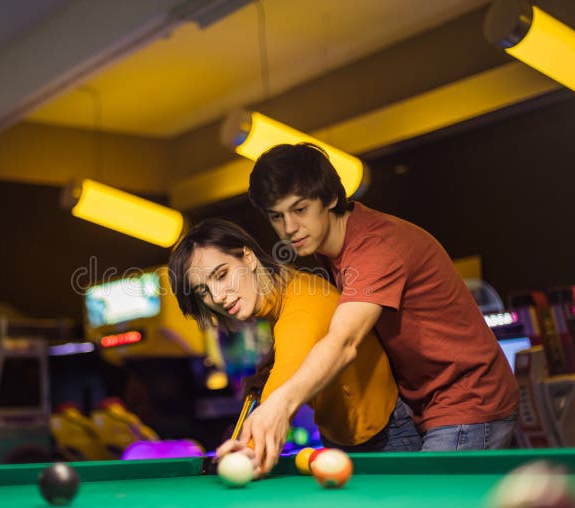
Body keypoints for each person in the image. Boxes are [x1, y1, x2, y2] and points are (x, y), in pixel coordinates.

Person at [240, 143, 519, 471]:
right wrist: (271, 369)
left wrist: (281, 405)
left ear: (329, 197)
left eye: (299, 209)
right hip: (423, 403)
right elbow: (320, 317)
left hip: (469, 400)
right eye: (277, 216)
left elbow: (343, 342)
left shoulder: (374, 249)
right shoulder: (327, 247)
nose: (289, 228)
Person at [168, 219, 422, 474]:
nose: (217, 296)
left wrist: (251, 449)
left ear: (248, 257)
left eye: (221, 275)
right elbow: (294, 349)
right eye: (203, 291)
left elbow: (289, 364)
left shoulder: (300, 312)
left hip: (386, 438)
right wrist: (266, 371)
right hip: (338, 438)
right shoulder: (283, 288)